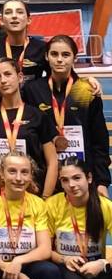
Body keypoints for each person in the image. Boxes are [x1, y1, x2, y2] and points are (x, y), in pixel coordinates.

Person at [23, 35, 110, 196]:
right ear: (46, 57)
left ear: (74, 58)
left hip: (80, 176)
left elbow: (99, 141)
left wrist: (102, 182)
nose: (59, 60)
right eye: (54, 54)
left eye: (66, 55)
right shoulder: (32, 90)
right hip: (45, 176)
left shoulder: (86, 90)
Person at [0, 58, 58, 197]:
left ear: (20, 77)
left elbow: (52, 162)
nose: (3, 80)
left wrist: (45, 198)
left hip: (33, 194)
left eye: (8, 74)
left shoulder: (37, 116)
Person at [0, 0, 47, 83]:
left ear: (29, 20)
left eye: (20, 12)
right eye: (8, 12)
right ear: (1, 21)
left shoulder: (42, 47)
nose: (14, 16)